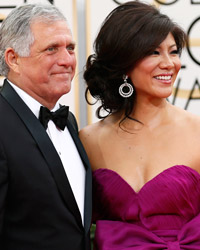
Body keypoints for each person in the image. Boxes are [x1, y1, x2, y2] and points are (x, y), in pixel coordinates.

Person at [79, 1, 200, 249]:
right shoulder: (88, 140)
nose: (169, 63)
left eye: (173, 51)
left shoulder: (197, 131)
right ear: (125, 62)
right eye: (154, 52)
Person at [0, 3, 92, 250]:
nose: (66, 60)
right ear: (14, 59)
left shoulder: (69, 122)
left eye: (70, 48)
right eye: (51, 49)